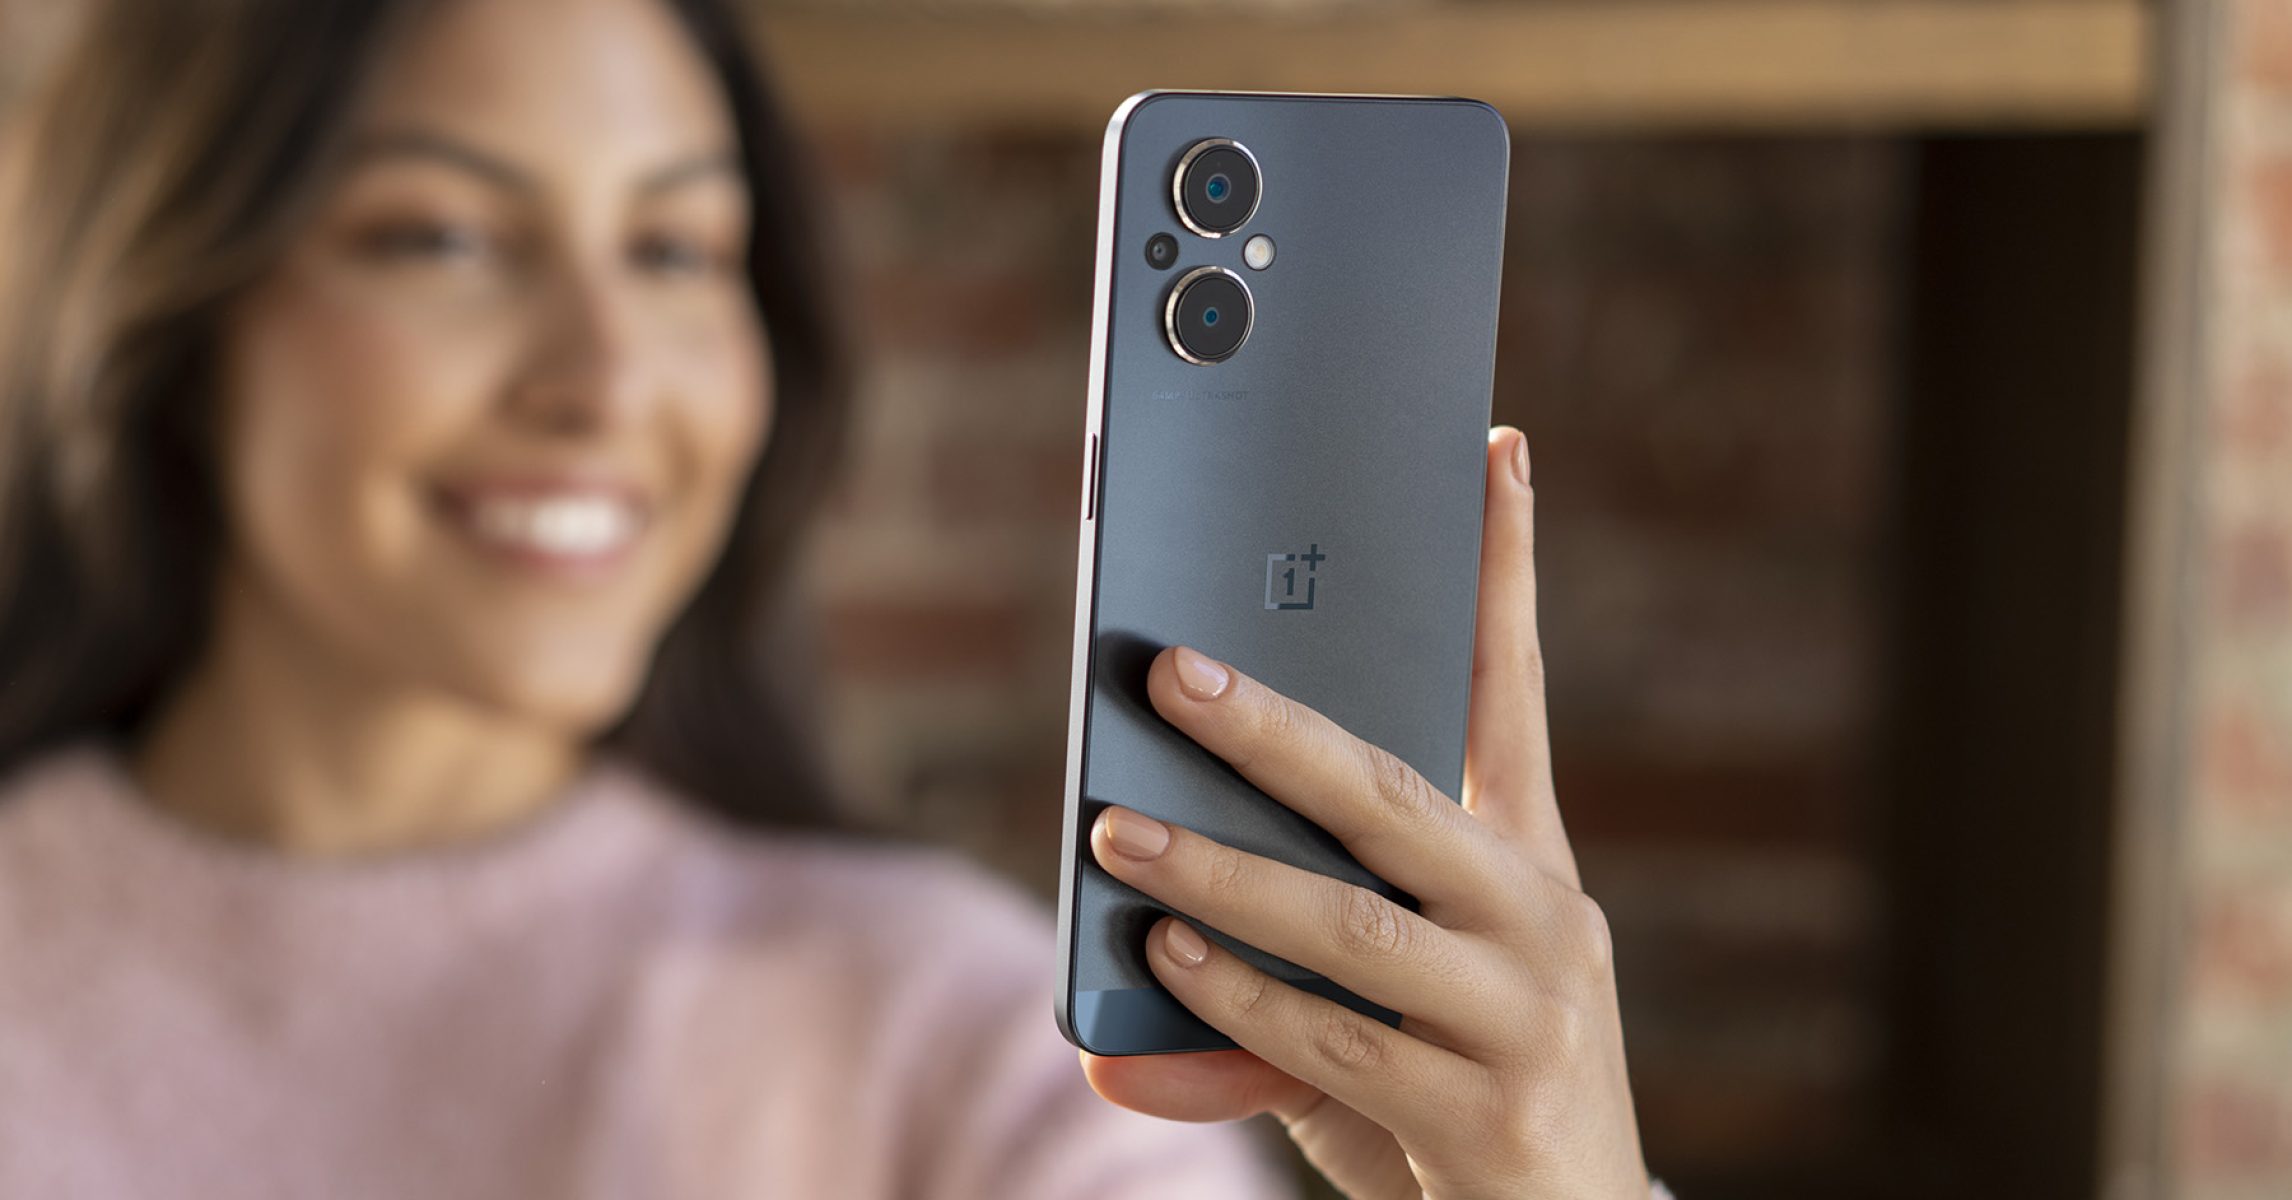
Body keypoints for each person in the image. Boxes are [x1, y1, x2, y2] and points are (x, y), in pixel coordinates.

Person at [0, 0, 1661, 1195]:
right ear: (170, 309)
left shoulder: (953, 1046)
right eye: (442, 237)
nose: (609, 378)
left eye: (674, 250)